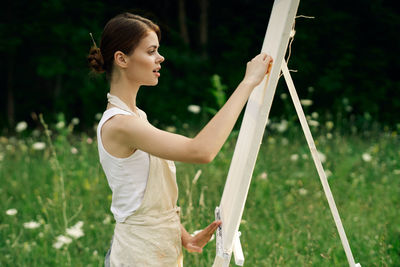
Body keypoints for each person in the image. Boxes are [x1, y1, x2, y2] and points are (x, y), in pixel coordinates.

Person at [88, 12, 272, 267]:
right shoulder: (121, 124)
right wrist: (248, 83)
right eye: (151, 51)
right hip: (137, 257)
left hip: (157, 252)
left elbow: (139, 198)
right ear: (122, 59)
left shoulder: (136, 117)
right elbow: (201, 151)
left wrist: (185, 237)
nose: (160, 57)